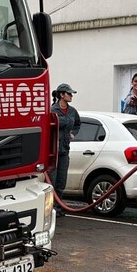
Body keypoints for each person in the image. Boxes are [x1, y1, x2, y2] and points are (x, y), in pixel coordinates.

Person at [50, 83, 81, 213]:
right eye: (69, 94)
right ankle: (50, 208)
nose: (71, 96)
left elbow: (78, 124)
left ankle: (59, 207)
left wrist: (73, 133)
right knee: (52, 181)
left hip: (64, 150)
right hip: (52, 152)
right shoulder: (52, 110)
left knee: (62, 181)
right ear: (61, 95)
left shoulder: (72, 111)